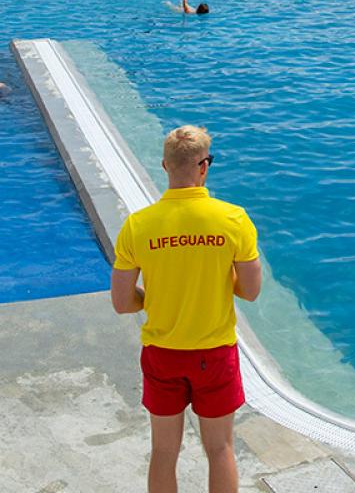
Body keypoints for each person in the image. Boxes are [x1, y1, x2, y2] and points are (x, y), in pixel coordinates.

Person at [111, 125, 262, 493]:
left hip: (163, 354)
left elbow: (121, 302)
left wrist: (157, 297)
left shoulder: (139, 225)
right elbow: (251, 291)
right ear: (204, 167)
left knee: (163, 451)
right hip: (214, 353)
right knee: (220, 448)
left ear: (165, 166)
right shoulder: (233, 220)